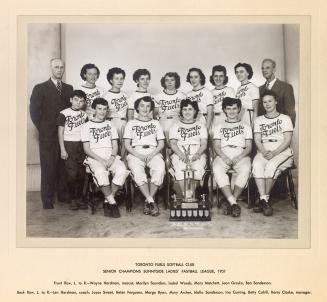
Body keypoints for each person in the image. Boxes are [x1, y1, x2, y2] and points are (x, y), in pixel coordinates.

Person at [30, 58, 73, 209]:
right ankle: (47, 200)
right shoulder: (40, 88)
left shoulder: (69, 88)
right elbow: (34, 112)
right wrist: (44, 128)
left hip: (66, 134)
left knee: (63, 166)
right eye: (56, 67)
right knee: (48, 166)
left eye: (62, 67)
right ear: (51, 69)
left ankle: (62, 196)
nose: (59, 70)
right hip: (48, 135)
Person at [81, 98, 129, 218]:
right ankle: (113, 203)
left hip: (110, 155)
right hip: (94, 157)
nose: (102, 112)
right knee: (100, 172)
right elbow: (86, 149)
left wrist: (112, 157)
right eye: (99, 108)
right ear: (94, 109)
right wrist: (101, 160)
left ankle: (107, 201)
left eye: (104, 109)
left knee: (122, 170)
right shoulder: (87, 126)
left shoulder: (110, 124)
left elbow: (115, 145)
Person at [252, 90, 294, 216]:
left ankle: (262, 200)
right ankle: (264, 200)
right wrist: (264, 151)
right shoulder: (259, 120)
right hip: (264, 150)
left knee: (271, 166)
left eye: (270, 101)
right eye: (264, 102)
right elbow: (257, 139)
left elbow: (287, 140)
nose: (267, 104)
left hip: (282, 151)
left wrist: (274, 153)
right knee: (257, 165)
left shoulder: (285, 118)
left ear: (275, 101)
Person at [124, 96, 165, 216]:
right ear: (137, 107)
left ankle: (148, 201)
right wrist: (138, 155)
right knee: (137, 171)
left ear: (151, 108)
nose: (145, 109)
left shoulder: (155, 123)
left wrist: (152, 154)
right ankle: (151, 201)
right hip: (136, 152)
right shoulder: (131, 123)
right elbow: (127, 144)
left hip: (153, 151)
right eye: (142, 106)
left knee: (160, 169)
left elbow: (161, 143)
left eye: (148, 106)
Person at [212, 97, 252, 217]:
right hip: (223, 152)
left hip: (241, 153)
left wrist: (239, 157)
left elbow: (249, 147)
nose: (232, 111)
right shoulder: (219, 126)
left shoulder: (246, 126)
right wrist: (224, 157)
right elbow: (216, 146)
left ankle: (231, 201)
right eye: (228, 108)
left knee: (246, 169)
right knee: (217, 169)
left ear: (239, 109)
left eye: (234, 108)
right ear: (224, 110)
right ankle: (234, 203)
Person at [169, 99, 208, 199]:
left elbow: (204, 143)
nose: (187, 112)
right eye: (184, 109)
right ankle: (186, 195)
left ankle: (191, 193)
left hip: (197, 151)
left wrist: (198, 154)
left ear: (195, 111)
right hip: (180, 151)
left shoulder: (201, 126)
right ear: (181, 111)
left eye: (190, 109)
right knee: (180, 167)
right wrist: (180, 154)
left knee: (197, 167)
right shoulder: (175, 126)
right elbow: (173, 144)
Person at [57, 90, 88, 210]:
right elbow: (60, 132)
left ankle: (79, 198)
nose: (78, 103)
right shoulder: (63, 113)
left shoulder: (85, 115)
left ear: (84, 103)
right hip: (69, 145)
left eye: (81, 101)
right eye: (76, 100)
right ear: (71, 99)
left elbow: (86, 131)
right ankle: (72, 199)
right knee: (71, 174)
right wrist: (62, 149)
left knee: (81, 174)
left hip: (81, 145)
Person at [258, 58, 296, 127]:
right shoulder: (259, 90)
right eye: (262, 68)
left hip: (280, 130)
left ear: (274, 69)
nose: (264, 70)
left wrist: (287, 131)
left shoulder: (286, 87)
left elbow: (290, 113)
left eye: (267, 68)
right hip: (264, 131)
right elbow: (259, 113)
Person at [153, 72, 186, 142]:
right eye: (167, 80)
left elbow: (185, 112)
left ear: (176, 81)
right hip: (163, 122)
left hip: (177, 122)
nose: (169, 82)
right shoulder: (158, 96)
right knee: (163, 145)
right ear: (164, 82)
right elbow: (155, 115)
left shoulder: (182, 96)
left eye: (172, 80)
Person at [104, 67, 128, 142]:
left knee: (125, 148)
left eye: (121, 78)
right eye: (116, 78)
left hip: (124, 123)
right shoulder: (106, 96)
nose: (120, 81)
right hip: (112, 122)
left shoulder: (125, 95)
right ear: (111, 80)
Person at [234, 62, 259, 127]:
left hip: (248, 116)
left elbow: (256, 108)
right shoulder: (238, 88)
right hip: (239, 117)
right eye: (237, 72)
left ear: (248, 73)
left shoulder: (253, 87)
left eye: (241, 72)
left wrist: (253, 124)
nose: (238, 74)